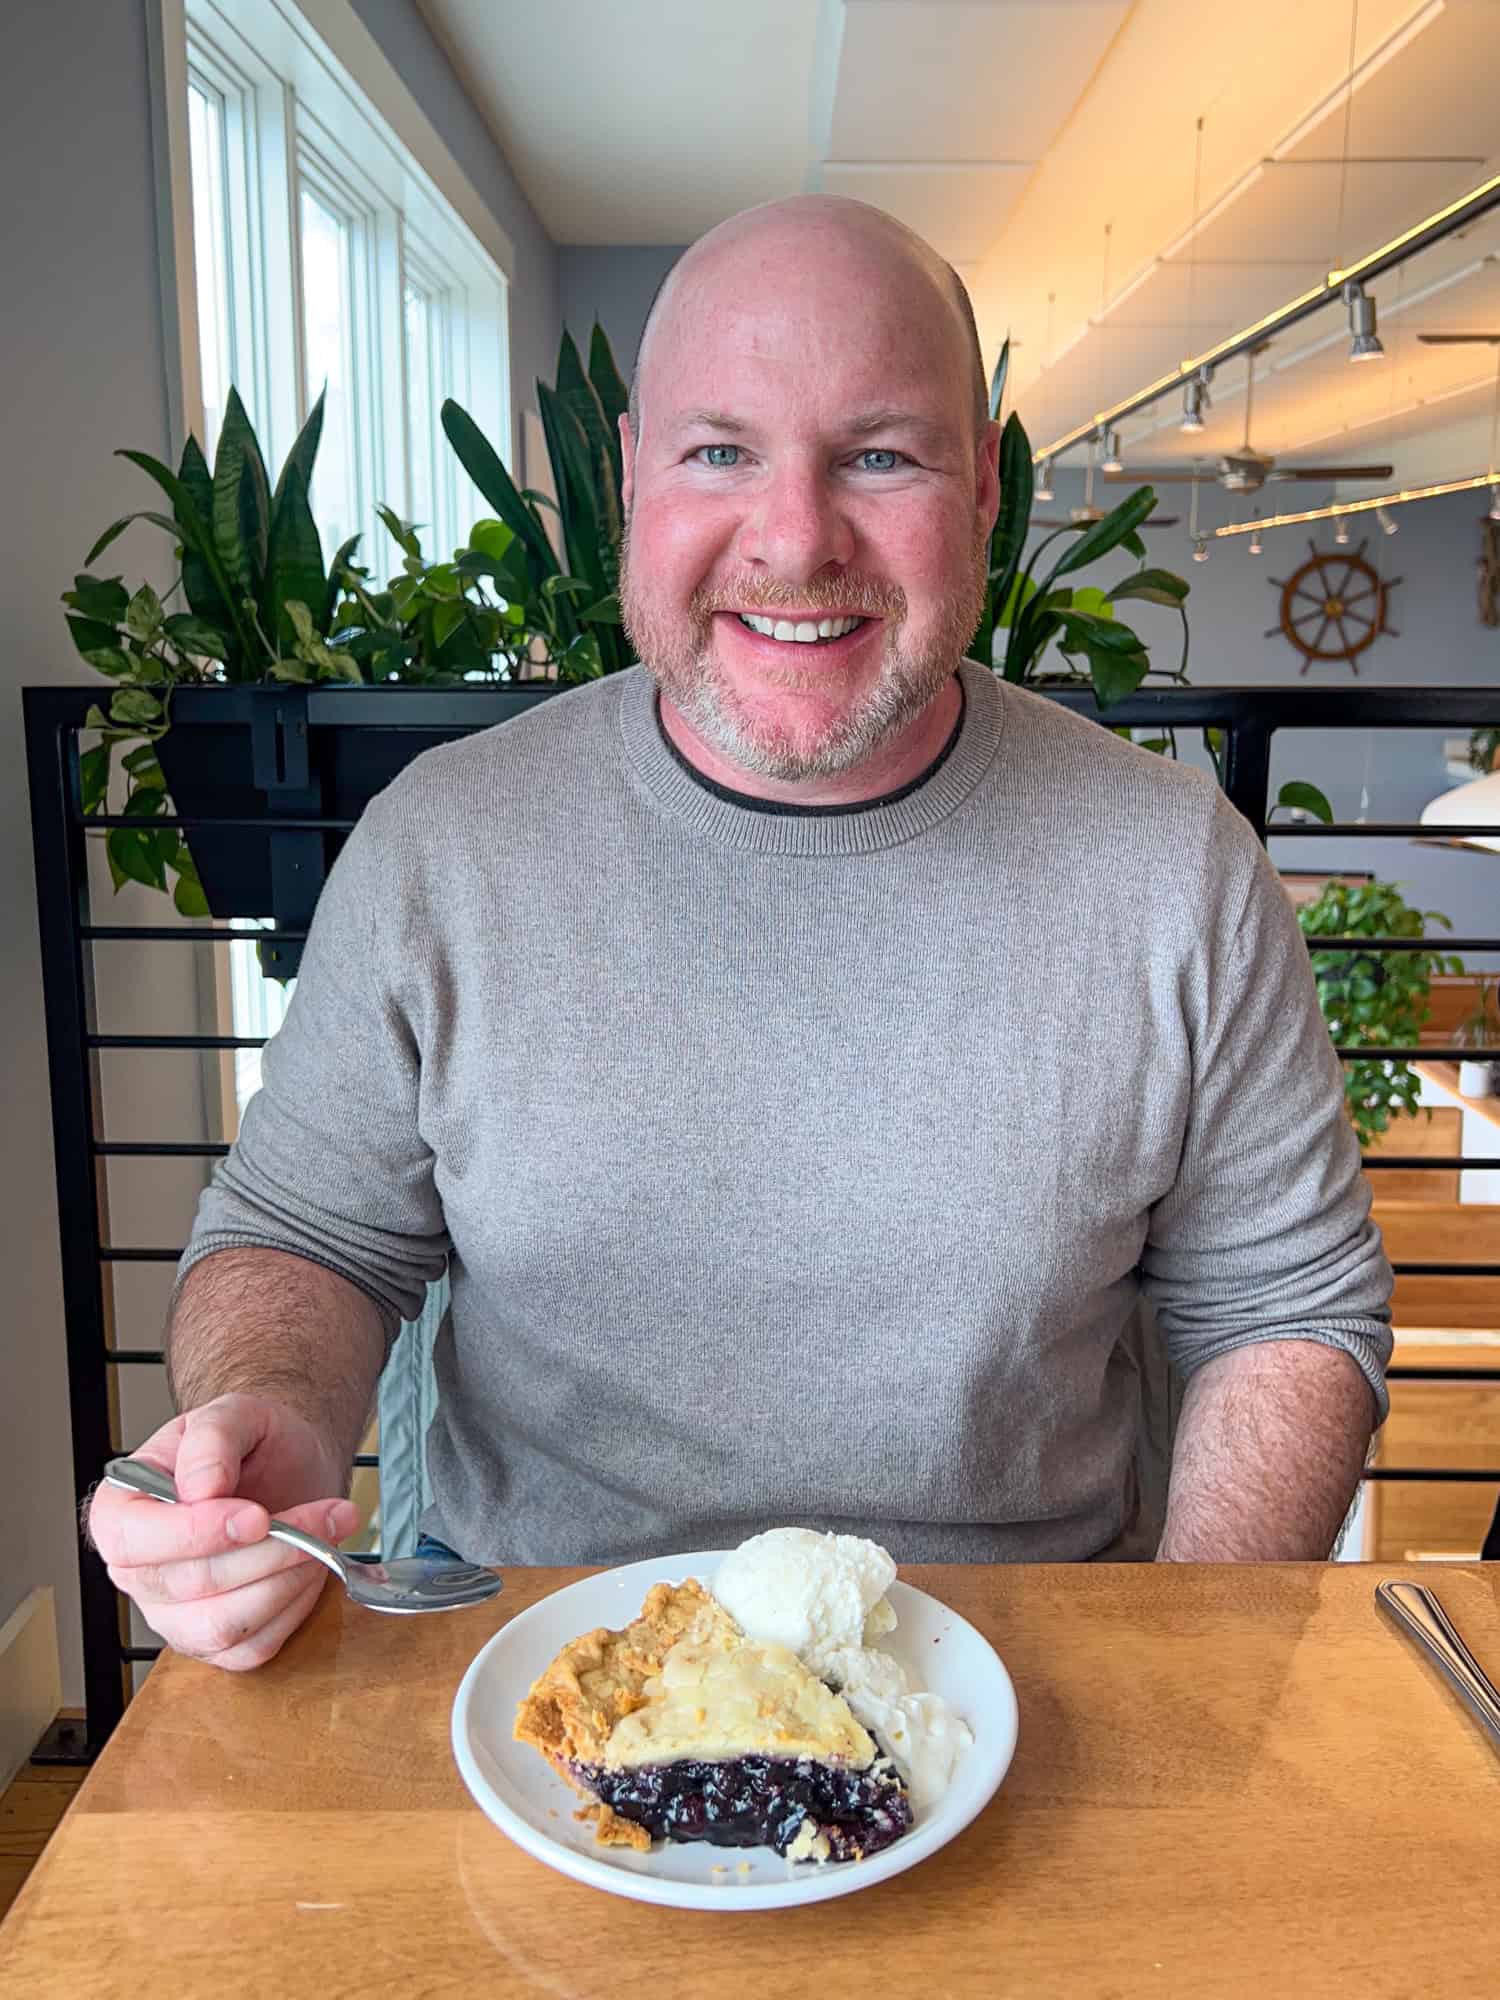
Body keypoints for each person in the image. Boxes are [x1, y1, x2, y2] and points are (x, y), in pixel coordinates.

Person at [88, 196, 1392, 1671]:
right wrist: (269, 1411)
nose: (793, 537)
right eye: (721, 452)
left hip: (1023, 1675)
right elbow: (301, 1233)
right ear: (633, 478)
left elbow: (1288, 1307)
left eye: (880, 456)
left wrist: (1191, 1661)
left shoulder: (1173, 869)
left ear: (982, 500)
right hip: (528, 1665)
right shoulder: (444, 845)